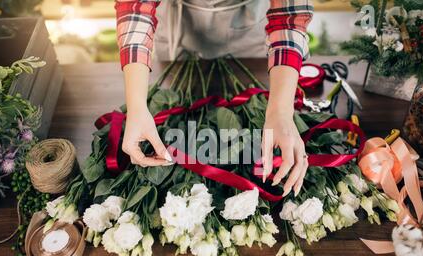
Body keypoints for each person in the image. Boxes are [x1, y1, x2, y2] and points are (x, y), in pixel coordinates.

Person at [115, 0, 313, 196]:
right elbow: (135, 6)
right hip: (179, 28)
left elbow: (289, 17)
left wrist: (281, 112)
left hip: (249, 33)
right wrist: (137, 106)